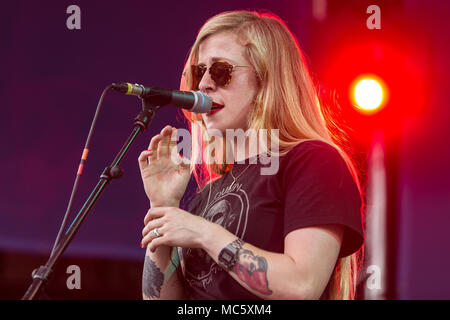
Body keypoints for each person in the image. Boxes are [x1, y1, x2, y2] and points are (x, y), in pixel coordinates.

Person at [138, 10, 364, 300]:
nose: (204, 84)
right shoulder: (207, 194)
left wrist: (204, 233)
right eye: (199, 72)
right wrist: (163, 207)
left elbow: (301, 287)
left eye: (221, 70)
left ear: (266, 80)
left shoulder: (314, 162)